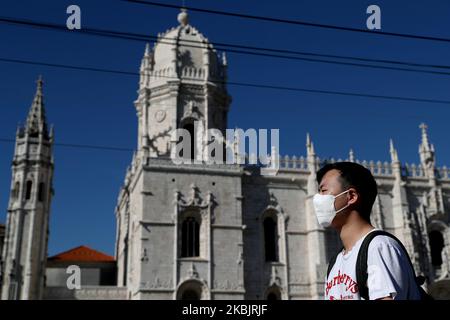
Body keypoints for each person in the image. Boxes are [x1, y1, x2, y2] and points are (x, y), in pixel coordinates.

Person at [313, 161, 421, 300]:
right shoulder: (335, 263)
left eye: (323, 191)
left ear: (351, 196)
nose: (317, 199)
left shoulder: (379, 247)